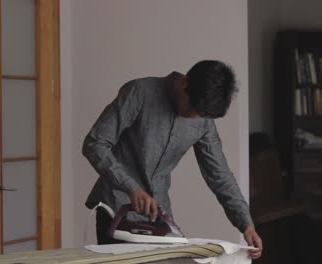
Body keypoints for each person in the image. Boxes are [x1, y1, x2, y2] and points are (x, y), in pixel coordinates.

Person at [82, 60, 263, 259]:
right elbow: (95, 143)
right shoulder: (139, 93)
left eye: (200, 114)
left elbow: (219, 175)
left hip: (158, 213)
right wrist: (131, 187)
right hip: (116, 209)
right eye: (192, 107)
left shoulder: (203, 120)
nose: (193, 117)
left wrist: (246, 224)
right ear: (184, 82)